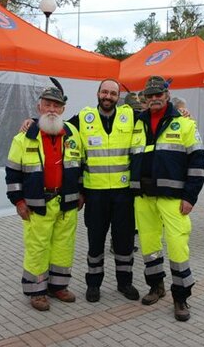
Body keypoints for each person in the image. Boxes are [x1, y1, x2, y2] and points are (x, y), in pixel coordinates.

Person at [129, 75, 204, 322]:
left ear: (167, 95)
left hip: (173, 199)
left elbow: (198, 164)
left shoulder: (184, 124)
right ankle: (156, 287)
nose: (154, 99)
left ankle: (180, 297)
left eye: (158, 94)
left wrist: (190, 197)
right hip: (143, 198)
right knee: (150, 247)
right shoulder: (136, 123)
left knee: (177, 246)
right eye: (149, 95)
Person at [5, 85, 82, 311]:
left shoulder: (73, 133)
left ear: (63, 109)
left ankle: (58, 286)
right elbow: (12, 173)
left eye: (56, 105)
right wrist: (18, 201)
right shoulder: (23, 137)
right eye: (47, 104)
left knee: (63, 246)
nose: (51, 109)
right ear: (39, 107)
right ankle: (36, 291)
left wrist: (81, 193)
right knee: (37, 248)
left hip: (66, 203)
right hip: (38, 204)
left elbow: (81, 166)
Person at [69, 79, 139, 303]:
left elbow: (158, 121)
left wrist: (179, 113)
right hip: (95, 194)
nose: (108, 96)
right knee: (95, 241)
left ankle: (125, 282)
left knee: (124, 242)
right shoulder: (83, 117)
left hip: (123, 193)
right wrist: (32, 122)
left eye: (113, 93)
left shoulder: (131, 116)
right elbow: (59, 128)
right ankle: (93, 284)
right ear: (98, 93)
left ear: (118, 97)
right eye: (105, 92)